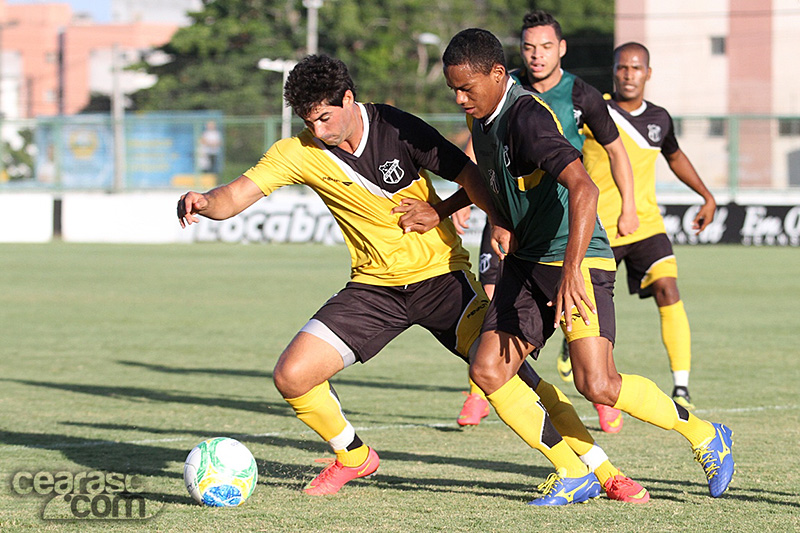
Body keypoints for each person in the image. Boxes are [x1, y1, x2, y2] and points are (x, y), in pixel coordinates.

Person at [177, 54, 635, 503]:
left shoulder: (397, 127)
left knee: (514, 378)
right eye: (308, 121)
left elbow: (470, 174)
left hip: (443, 280)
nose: (318, 130)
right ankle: (353, 455)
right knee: (292, 375)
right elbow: (234, 195)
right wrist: (205, 202)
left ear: (348, 99)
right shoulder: (298, 152)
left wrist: (493, 219)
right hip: (374, 289)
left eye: (324, 118)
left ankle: (603, 472)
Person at [441, 28, 734, 503]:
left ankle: (705, 434)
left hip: (578, 258)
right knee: (489, 370)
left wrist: (572, 270)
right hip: (527, 260)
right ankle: (574, 471)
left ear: (497, 74)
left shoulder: (526, 117)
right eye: (453, 89)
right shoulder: (482, 113)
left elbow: (585, 187)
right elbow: (485, 176)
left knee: (597, 384)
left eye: (466, 88)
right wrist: (474, 213)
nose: (459, 99)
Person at [455, 10, 638, 434]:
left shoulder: (580, 96)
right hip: (508, 218)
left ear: (562, 49)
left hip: (558, 225)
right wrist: (466, 199)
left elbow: (613, 152)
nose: (536, 55)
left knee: (594, 374)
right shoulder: (491, 90)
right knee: (491, 305)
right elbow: (477, 153)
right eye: (529, 47)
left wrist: (630, 205)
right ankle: (479, 392)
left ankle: (601, 395)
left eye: (546, 47)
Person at [581, 42, 717, 411]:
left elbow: (675, 156)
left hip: (645, 225)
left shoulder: (660, 119)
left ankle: (681, 386)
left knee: (668, 289)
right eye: (622, 67)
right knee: (590, 307)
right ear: (613, 71)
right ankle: (572, 347)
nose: (629, 75)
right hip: (599, 229)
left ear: (648, 73)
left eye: (636, 68)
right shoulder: (593, 110)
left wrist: (706, 196)